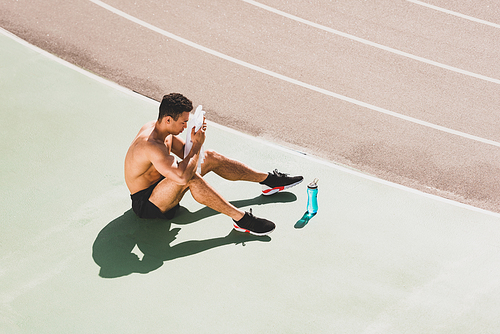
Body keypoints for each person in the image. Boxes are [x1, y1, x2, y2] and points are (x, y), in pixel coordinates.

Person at [124, 93, 303, 236]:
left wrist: (195, 137)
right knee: (190, 178)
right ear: (168, 119)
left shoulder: (163, 131)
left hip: (163, 184)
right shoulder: (151, 145)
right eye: (183, 122)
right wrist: (197, 144)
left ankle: (268, 181)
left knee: (209, 157)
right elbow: (182, 176)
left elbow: (186, 152)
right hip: (147, 203)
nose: (185, 126)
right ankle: (241, 220)